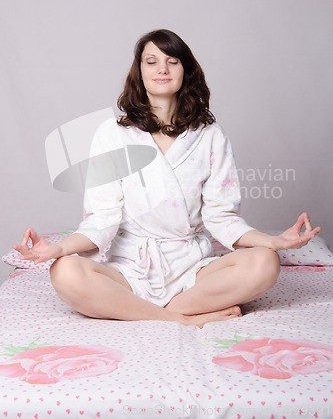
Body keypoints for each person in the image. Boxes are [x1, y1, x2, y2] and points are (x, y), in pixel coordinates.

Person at [13, 29, 320, 328]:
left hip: (193, 270)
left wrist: (274, 241)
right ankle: (179, 317)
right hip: (131, 268)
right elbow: (101, 220)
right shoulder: (112, 134)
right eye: (151, 61)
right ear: (140, 72)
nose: (162, 68)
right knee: (65, 271)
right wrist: (59, 249)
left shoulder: (210, 136)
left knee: (265, 263)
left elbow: (221, 216)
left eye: (172, 61)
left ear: (185, 70)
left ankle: (144, 309)